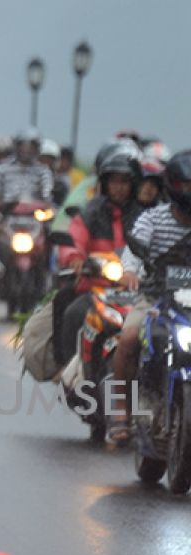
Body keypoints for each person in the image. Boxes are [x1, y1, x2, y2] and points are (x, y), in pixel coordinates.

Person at [110, 150, 191, 443]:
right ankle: (121, 408)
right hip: (156, 300)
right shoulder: (153, 218)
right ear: (174, 185)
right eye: (188, 185)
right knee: (129, 338)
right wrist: (129, 271)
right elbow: (133, 250)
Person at [52, 143, 141, 364]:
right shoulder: (91, 212)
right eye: (114, 181)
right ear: (104, 183)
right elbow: (74, 238)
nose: (119, 187)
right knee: (70, 311)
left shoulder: (145, 215)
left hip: (138, 291)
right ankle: (68, 370)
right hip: (96, 287)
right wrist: (75, 258)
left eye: (125, 182)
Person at [0, 127, 54, 204]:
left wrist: (47, 202)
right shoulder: (2, 168)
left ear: (37, 149)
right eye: (22, 145)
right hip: (6, 211)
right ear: (16, 146)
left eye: (31, 147)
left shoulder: (43, 171)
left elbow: (47, 194)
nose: (26, 150)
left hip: (34, 212)